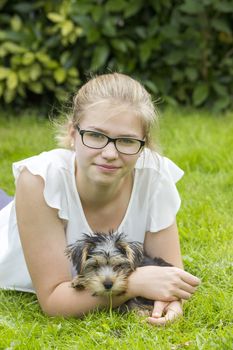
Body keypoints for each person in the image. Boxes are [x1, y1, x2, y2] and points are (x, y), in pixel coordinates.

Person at [0, 73, 200, 325]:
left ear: (144, 146)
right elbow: (53, 301)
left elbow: (170, 275)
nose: (109, 153)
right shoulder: (40, 180)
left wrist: (170, 303)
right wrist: (135, 283)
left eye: (126, 140)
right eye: (95, 135)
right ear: (73, 133)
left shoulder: (154, 176)